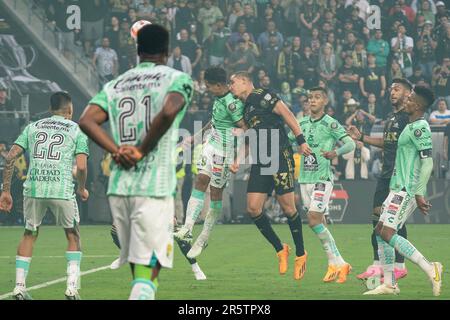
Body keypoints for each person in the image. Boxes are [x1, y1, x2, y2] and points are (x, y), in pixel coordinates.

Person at [79, 24, 194, 300]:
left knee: (141, 268)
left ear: (138, 50)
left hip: (120, 187)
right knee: (149, 270)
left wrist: (117, 150)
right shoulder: (177, 79)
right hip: (153, 187)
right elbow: (168, 111)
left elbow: (86, 120)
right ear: (166, 51)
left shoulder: (115, 84)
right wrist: (141, 150)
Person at [0, 92, 89, 300]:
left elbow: (11, 156)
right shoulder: (76, 130)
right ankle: (72, 288)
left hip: (34, 188)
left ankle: (19, 287)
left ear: (50, 110)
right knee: (73, 235)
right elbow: (82, 166)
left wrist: (5, 190)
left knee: (29, 234)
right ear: (70, 110)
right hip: (62, 189)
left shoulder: (33, 127)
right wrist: (81, 188)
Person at [229, 71, 311, 281]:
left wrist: (301, 140)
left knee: (288, 207)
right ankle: (280, 248)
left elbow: (287, 114)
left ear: (245, 81)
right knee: (253, 208)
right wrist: (238, 159)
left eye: (233, 82)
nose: (231, 86)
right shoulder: (245, 109)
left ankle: (301, 254)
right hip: (260, 160)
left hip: (279, 155)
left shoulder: (263, 95)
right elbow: (249, 138)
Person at [363, 86, 443, 296]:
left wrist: (419, 192)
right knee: (380, 231)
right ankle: (389, 284)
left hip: (407, 190)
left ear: (417, 105)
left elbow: (428, 162)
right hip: (397, 187)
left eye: (409, 99)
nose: (406, 101)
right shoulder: (410, 125)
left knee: (388, 232)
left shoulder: (420, 128)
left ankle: (430, 267)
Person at [174, 66, 247, 259]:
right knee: (200, 180)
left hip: (224, 152)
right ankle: (188, 228)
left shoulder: (233, 104)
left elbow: (245, 126)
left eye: (208, 85)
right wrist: (196, 137)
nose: (206, 89)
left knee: (215, 194)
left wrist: (237, 155)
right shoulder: (218, 99)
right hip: (210, 145)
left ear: (218, 85)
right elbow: (214, 122)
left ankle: (204, 236)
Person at [348, 79, 413, 284]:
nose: (392, 92)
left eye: (397, 89)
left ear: (408, 94)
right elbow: (387, 143)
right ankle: (380, 265)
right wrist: (362, 138)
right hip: (385, 175)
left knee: (393, 222)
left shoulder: (410, 119)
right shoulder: (391, 117)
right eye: (391, 89)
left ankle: (397, 266)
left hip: (399, 176)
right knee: (377, 219)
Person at [292, 87, 355, 283]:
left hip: (322, 178)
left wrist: (335, 153)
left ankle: (334, 262)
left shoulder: (330, 123)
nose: (312, 101)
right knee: (320, 222)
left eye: (317, 97)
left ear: (325, 101)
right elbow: (288, 140)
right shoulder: (300, 123)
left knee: (312, 220)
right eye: (310, 98)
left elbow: (350, 144)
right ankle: (339, 264)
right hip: (304, 178)